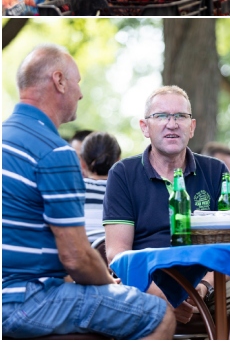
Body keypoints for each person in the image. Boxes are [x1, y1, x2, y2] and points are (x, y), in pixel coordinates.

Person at [3, 46, 174, 340]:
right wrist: (110, 282)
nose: (80, 94)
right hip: (26, 300)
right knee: (160, 314)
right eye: (77, 82)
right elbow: (76, 258)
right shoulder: (53, 152)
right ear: (59, 81)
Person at [102, 86, 230, 325]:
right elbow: (117, 254)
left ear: (191, 127)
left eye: (180, 116)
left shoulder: (216, 171)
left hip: (208, 285)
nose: (172, 124)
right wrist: (163, 298)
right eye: (161, 116)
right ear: (144, 127)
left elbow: (228, 249)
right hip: (145, 286)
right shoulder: (123, 174)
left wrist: (201, 289)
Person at [81, 131, 122, 244]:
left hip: (80, 258)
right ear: (118, 161)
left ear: (82, 162)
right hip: (117, 259)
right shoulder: (127, 192)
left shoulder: (74, 190)